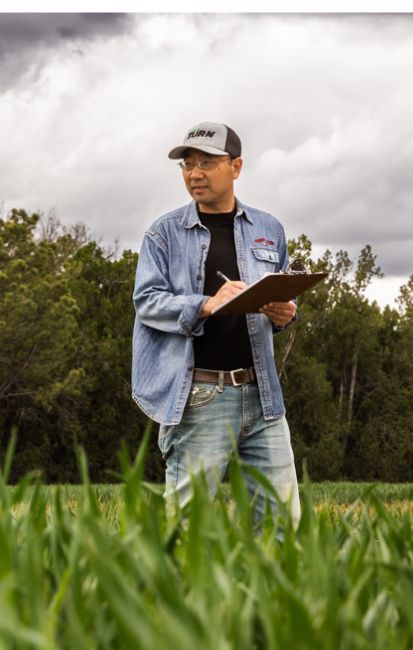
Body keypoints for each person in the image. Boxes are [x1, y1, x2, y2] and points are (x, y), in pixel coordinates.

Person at [131, 121, 302, 528]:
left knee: (282, 527)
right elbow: (147, 302)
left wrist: (285, 312)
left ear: (236, 167)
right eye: (188, 164)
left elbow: (282, 291)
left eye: (207, 162)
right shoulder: (163, 234)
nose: (195, 173)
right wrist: (206, 304)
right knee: (187, 532)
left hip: (263, 397)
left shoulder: (268, 229)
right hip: (199, 396)